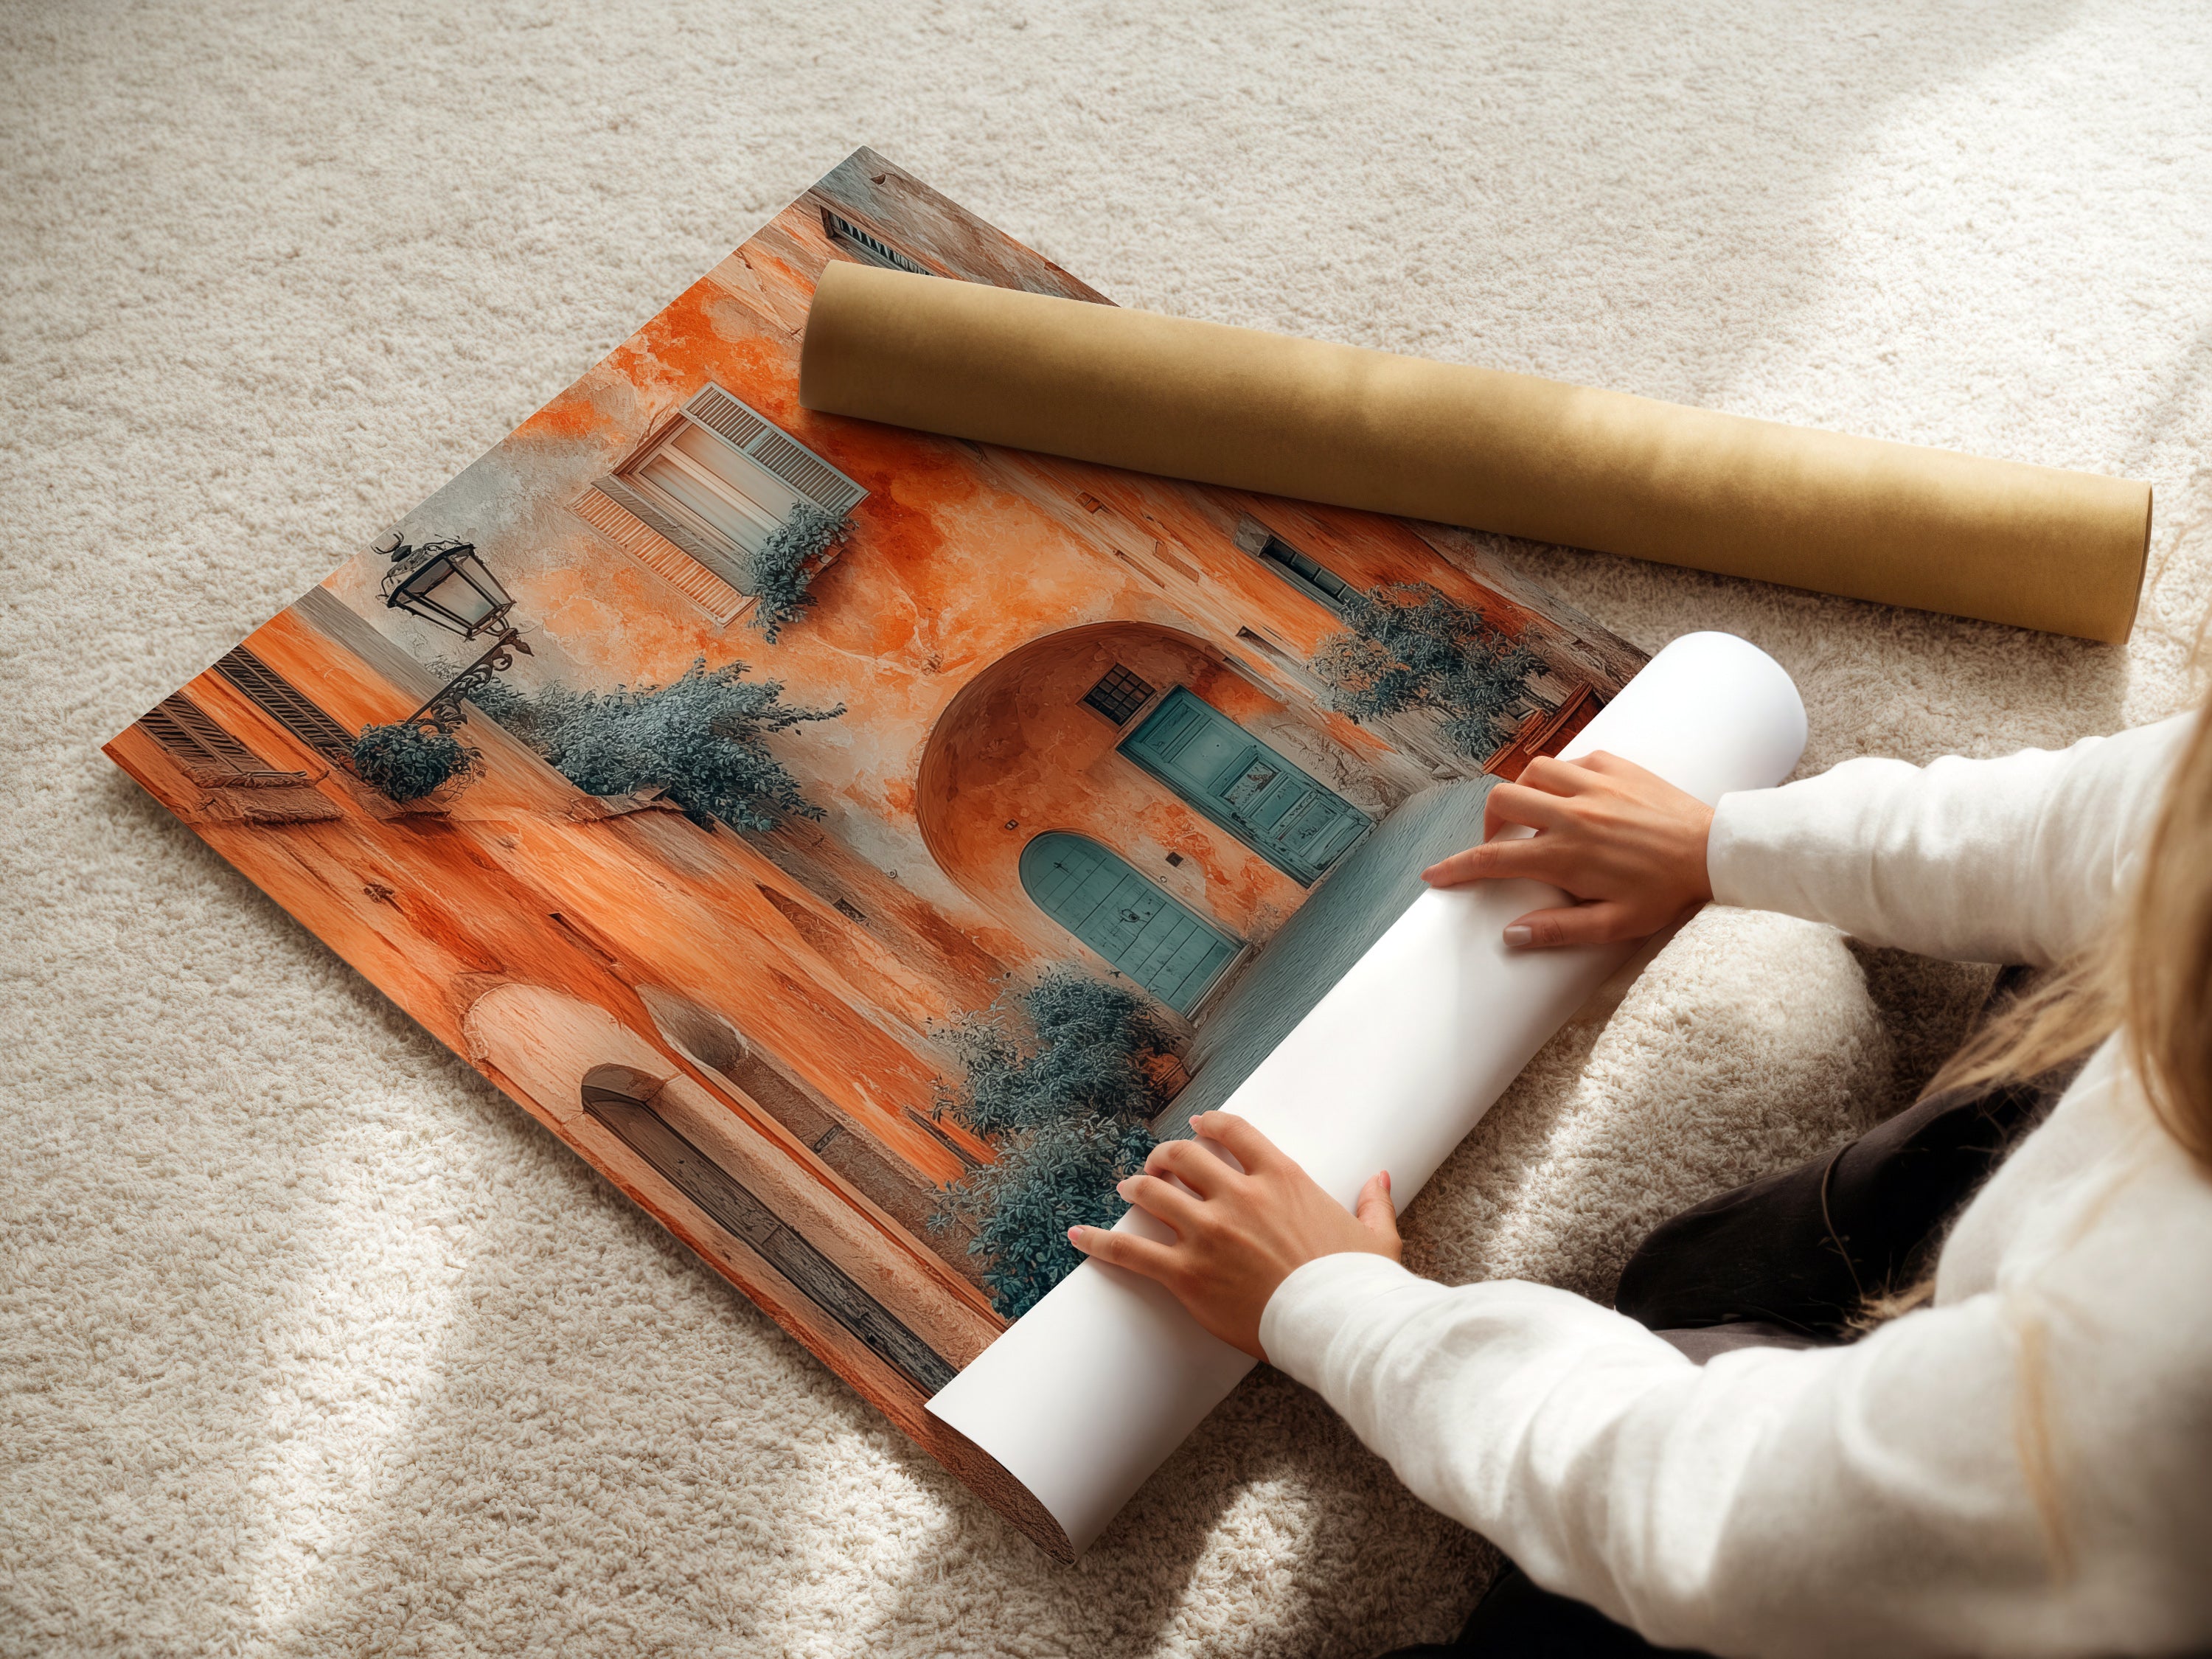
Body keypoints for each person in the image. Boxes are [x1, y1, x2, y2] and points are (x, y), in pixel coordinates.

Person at [1069, 712, 2212, 1657]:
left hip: (2038, 1554)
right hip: (2049, 1324)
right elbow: (2120, 819)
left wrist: (1336, 1306)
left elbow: (1720, 1513)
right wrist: (1721, 841)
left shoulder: (2156, 1374)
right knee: (1706, 1271)